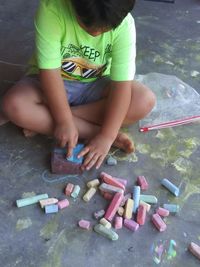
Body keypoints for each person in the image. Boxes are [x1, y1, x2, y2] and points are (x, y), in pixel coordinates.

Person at [1, 0, 156, 171]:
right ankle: (88, 130)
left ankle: (42, 120)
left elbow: (121, 87)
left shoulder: (124, 25)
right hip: (52, 83)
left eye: (104, 29)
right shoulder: (52, 9)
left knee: (144, 100)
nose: (96, 32)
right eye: (87, 25)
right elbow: (49, 73)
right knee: (13, 105)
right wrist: (65, 121)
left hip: (97, 84)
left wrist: (107, 136)